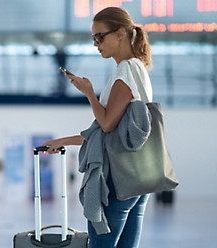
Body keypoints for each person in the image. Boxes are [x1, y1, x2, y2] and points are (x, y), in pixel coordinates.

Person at [42, 7, 153, 248]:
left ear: (120, 33)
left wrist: (89, 93)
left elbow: (106, 124)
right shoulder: (139, 69)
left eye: (100, 36)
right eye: (94, 37)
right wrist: (63, 141)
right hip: (138, 177)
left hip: (119, 178)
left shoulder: (126, 70)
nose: (96, 43)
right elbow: (112, 134)